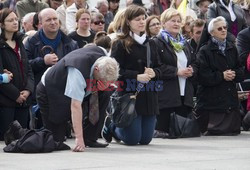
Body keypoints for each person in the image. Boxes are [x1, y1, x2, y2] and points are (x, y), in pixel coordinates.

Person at [36, 45, 119, 151]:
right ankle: (24, 134)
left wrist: (106, 84)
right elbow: (75, 105)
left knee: (105, 93)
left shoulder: (104, 56)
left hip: (81, 86)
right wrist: (79, 139)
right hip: (51, 90)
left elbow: (105, 77)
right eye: (103, 80)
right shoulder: (77, 71)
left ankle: (90, 137)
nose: (106, 84)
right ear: (97, 69)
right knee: (55, 141)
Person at [102, 5, 162, 145]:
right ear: (128, 22)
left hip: (149, 95)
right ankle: (111, 127)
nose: (142, 22)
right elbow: (114, 71)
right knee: (132, 140)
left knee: (146, 140)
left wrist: (155, 73)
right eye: (137, 19)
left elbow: (160, 67)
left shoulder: (152, 43)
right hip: (129, 95)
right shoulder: (120, 43)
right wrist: (136, 76)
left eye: (143, 18)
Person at [196, 16, 244, 135]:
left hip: (230, 101)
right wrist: (222, 75)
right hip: (212, 102)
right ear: (211, 32)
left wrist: (234, 74)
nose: (223, 30)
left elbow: (240, 69)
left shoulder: (232, 47)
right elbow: (203, 76)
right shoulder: (204, 51)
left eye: (225, 27)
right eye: (219, 28)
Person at [153, 8, 196, 138]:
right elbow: (156, 66)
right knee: (166, 133)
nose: (177, 24)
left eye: (179, 21)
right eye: (173, 21)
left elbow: (194, 61)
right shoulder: (156, 42)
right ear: (164, 23)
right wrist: (177, 71)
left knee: (182, 133)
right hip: (167, 95)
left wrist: (192, 69)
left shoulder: (184, 43)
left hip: (184, 93)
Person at [0, 9, 34, 140]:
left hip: (24, 101)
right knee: (7, 139)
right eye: (10, 20)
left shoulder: (20, 41)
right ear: (2, 24)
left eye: (16, 19)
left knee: (22, 138)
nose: (15, 22)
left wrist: (28, 90)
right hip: (6, 102)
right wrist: (16, 95)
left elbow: (28, 69)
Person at [25, 8, 78, 90]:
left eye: (55, 19)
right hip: (39, 91)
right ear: (41, 23)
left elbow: (76, 68)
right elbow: (24, 65)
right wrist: (43, 61)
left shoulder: (71, 43)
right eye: (48, 20)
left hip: (63, 91)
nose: (53, 22)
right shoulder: (31, 42)